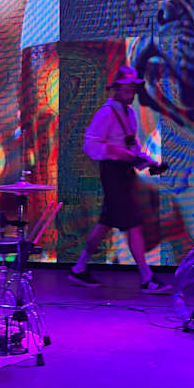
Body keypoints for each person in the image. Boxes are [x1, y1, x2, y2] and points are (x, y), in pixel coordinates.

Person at [69, 65, 170, 292]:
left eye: (133, 89)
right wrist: (113, 151)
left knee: (105, 223)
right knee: (133, 223)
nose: (130, 93)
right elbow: (90, 144)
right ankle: (147, 277)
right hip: (113, 173)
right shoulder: (106, 113)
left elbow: (132, 149)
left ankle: (79, 268)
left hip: (124, 174)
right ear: (116, 89)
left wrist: (150, 163)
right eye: (126, 88)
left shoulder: (129, 113)